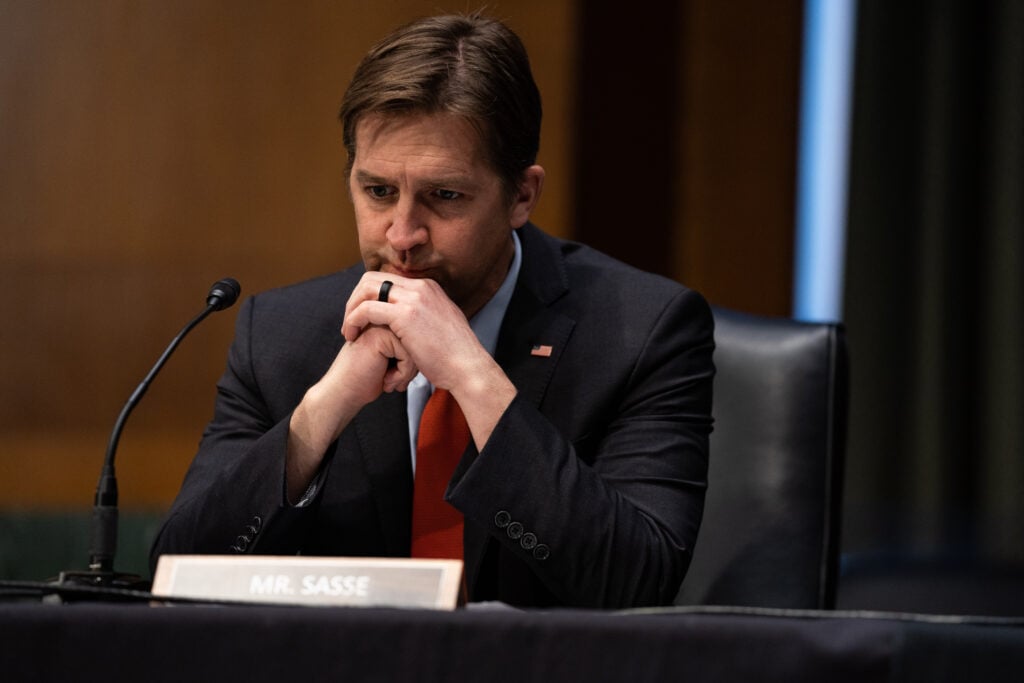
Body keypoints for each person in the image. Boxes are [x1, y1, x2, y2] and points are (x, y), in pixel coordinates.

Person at [151, 12, 714, 609]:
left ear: (521, 195)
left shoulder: (645, 330)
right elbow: (178, 582)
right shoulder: (282, 335)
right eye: (378, 192)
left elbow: (636, 583)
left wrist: (472, 377)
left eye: (444, 196)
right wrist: (322, 411)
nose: (402, 233)